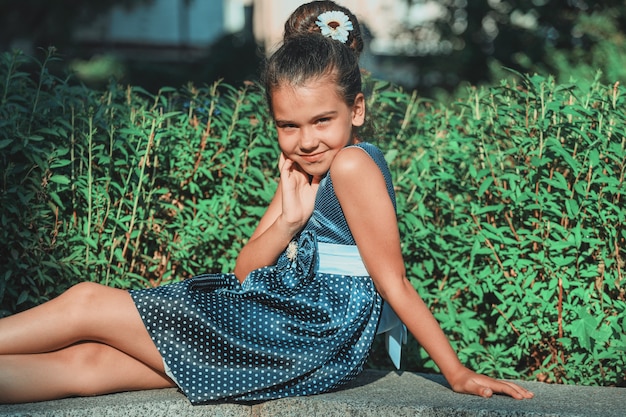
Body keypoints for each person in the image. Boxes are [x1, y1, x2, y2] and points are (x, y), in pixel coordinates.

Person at [0, 1, 533, 404]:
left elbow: (392, 279)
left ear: (358, 110)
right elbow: (246, 268)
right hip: (279, 324)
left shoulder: (352, 165)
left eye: (323, 120)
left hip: (301, 331)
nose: (306, 140)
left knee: (88, 301)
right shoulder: (305, 172)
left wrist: (456, 372)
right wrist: (290, 220)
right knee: (93, 363)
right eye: (288, 126)